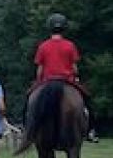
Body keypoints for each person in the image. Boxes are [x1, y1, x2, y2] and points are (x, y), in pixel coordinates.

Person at [33, 13, 98, 142]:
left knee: (30, 99)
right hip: (67, 80)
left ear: (49, 28)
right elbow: (74, 67)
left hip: (47, 80)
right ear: (64, 28)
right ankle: (91, 130)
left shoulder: (43, 46)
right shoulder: (70, 45)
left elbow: (39, 69)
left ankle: (28, 128)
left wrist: (38, 81)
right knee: (87, 99)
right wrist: (76, 76)